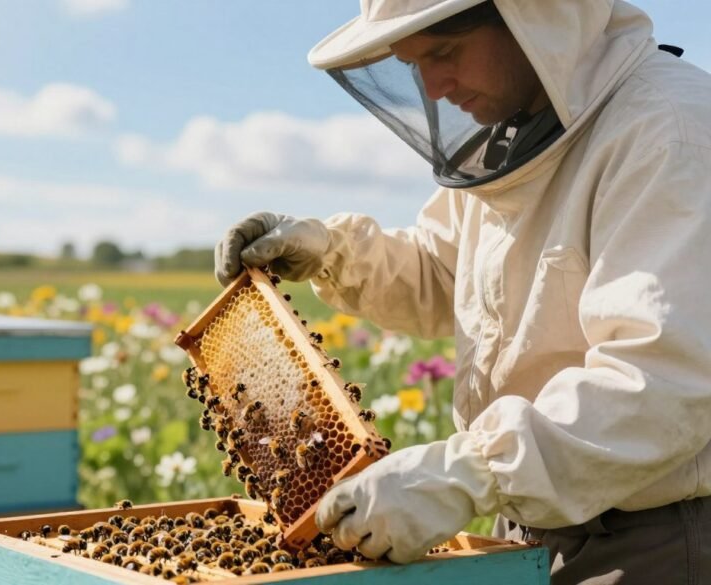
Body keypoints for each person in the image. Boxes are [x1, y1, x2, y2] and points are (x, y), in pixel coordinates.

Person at [214, 1, 711, 582]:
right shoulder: (515, 135)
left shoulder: (671, 131)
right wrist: (331, 251)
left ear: (535, 18)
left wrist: (471, 472)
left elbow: (662, 382)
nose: (433, 86)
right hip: (527, 519)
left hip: (649, 539)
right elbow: (442, 272)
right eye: (412, 62)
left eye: (445, 52)